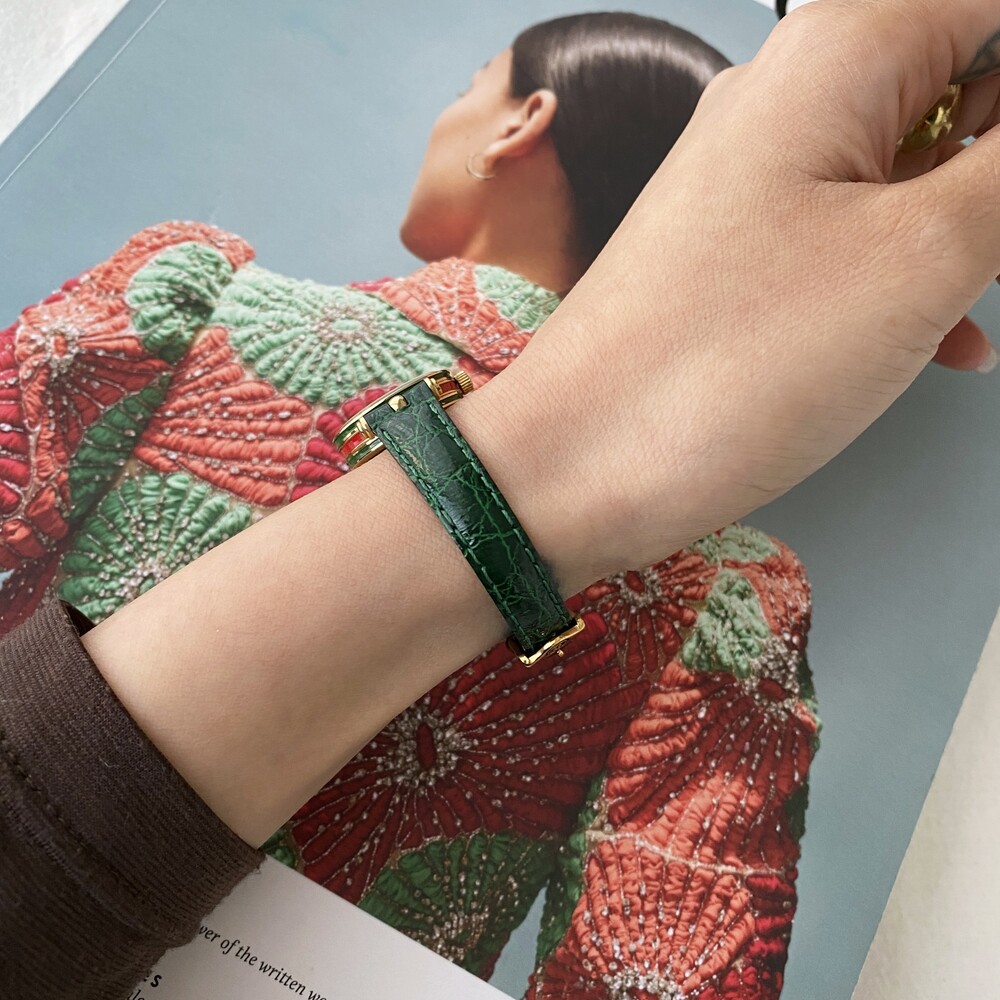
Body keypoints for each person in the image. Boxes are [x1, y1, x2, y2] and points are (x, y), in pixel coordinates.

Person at [2, 2, 999, 998]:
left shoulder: (189, 306)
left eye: (467, 87)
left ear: (522, 122)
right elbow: (657, 963)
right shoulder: (728, 598)